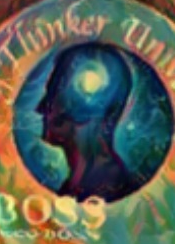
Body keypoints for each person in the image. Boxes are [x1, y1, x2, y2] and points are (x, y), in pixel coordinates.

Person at [37, 43, 140, 202]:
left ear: (79, 104)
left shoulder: (104, 191)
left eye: (52, 94)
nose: (40, 108)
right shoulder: (79, 186)